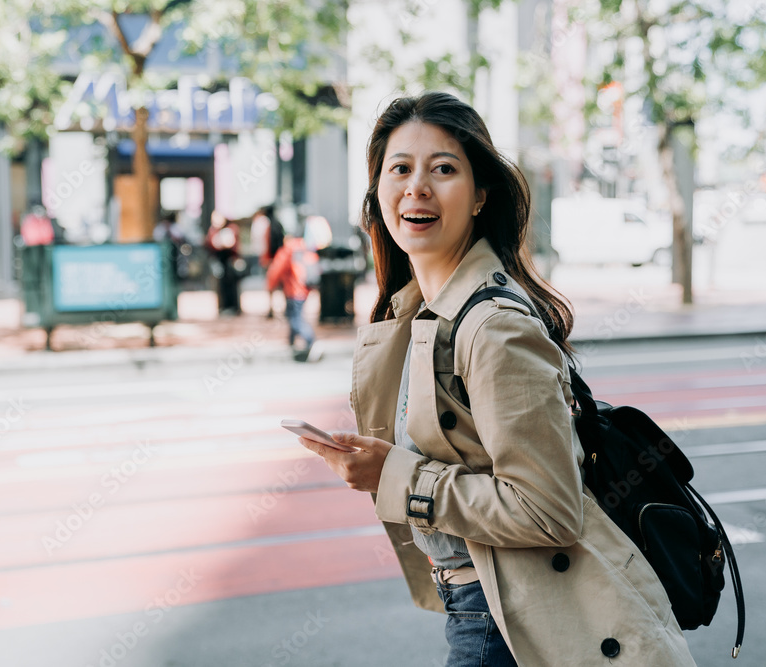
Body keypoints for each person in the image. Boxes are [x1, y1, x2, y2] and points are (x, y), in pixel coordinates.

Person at [295, 92, 696, 665]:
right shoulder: (422, 316)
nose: (417, 187)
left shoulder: (493, 327)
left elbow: (549, 509)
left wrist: (395, 477)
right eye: (400, 169)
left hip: (508, 620)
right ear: (377, 192)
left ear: (481, 195)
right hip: (483, 604)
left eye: (444, 169)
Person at [266, 234, 319, 362]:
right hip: (304, 290)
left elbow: (276, 270)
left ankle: (311, 341)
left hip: (293, 290)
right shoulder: (304, 248)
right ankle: (291, 344)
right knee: (295, 315)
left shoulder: (287, 250)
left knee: (294, 318)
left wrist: (270, 286)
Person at [204, 211, 242, 315]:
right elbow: (209, 244)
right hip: (220, 262)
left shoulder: (231, 229)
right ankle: (224, 306)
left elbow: (233, 245)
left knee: (231, 285)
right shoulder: (214, 231)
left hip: (229, 261)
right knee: (221, 286)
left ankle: (233, 307)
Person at [253, 205, 286, 318]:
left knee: (271, 285)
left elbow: (267, 244)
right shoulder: (278, 224)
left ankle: (271, 308)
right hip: (279, 258)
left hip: (270, 259)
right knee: (281, 284)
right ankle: (283, 307)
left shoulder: (267, 225)